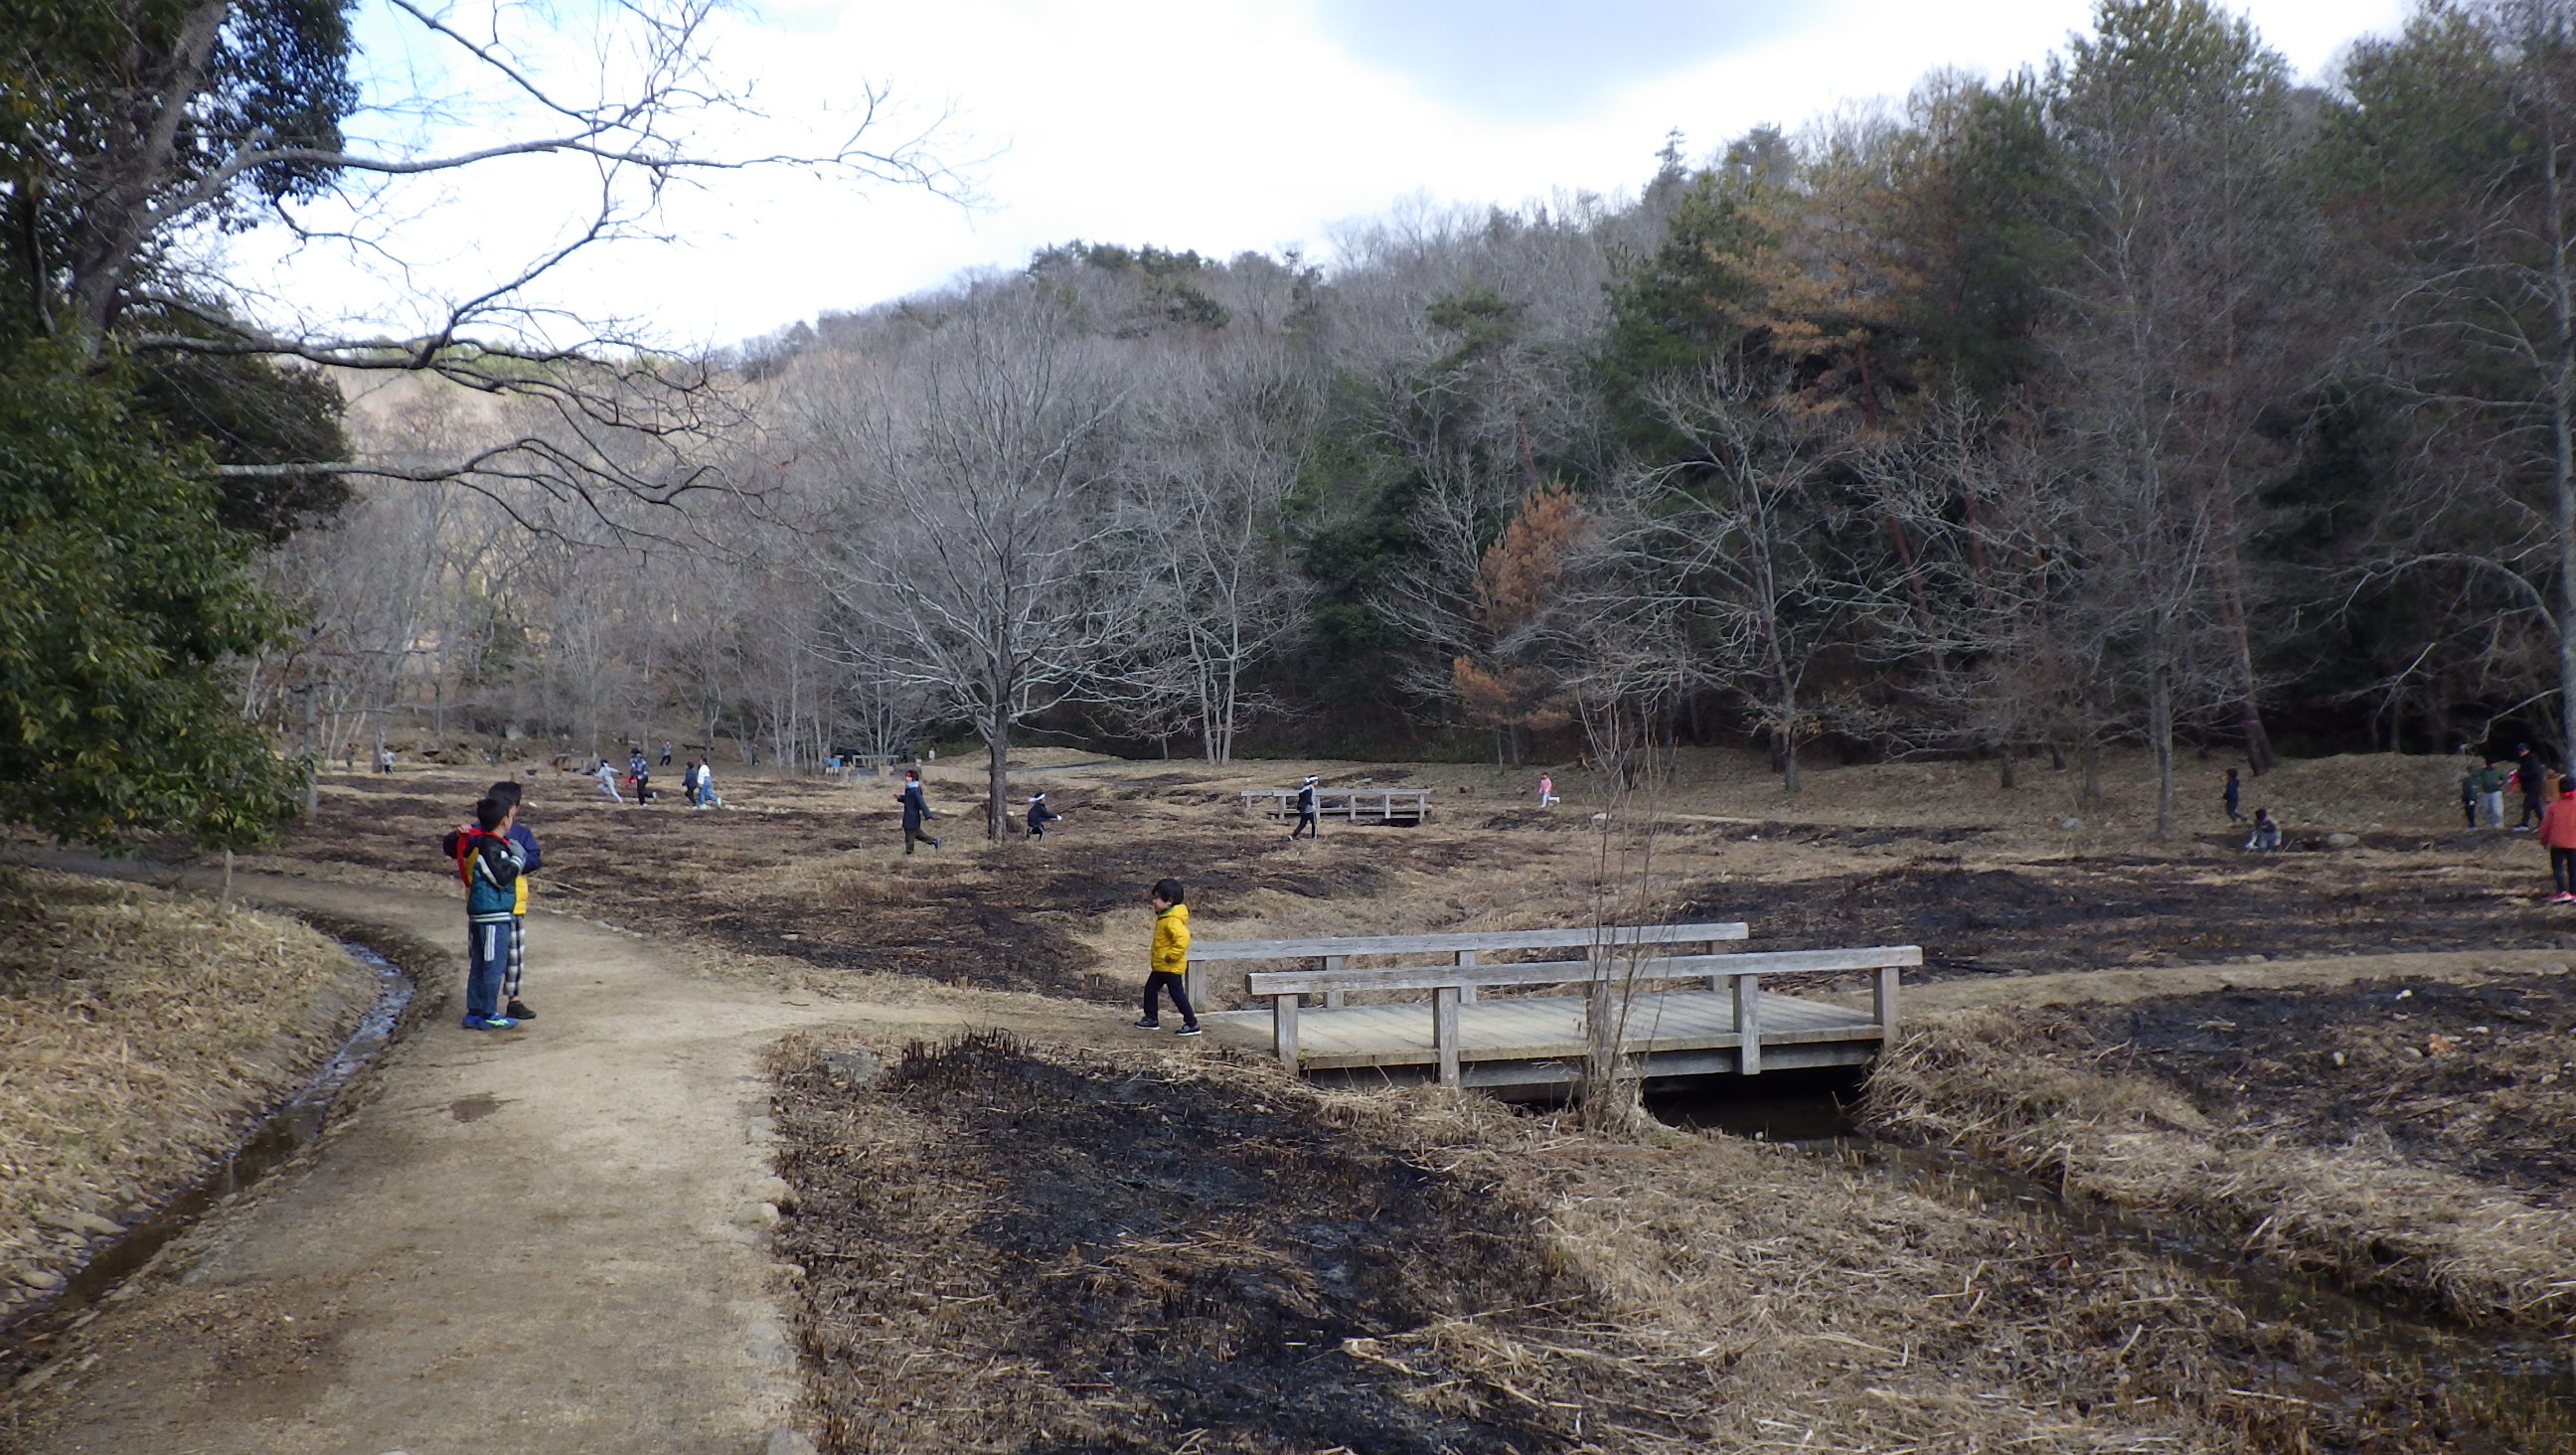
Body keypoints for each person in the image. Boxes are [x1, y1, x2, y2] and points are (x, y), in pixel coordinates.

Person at [440, 796, 526, 1030]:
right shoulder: (491, 847)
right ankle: (488, 1013)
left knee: (480, 963)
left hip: (484, 915)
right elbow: (502, 878)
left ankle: (475, 1011)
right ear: (504, 820)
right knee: (492, 965)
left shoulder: (484, 844)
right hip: (493, 917)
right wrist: (518, 859)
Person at [485, 780, 542, 1021]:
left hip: (514, 904)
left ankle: (513, 999)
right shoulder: (478, 832)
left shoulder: (521, 834)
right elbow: (452, 847)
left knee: (514, 955)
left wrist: (514, 862)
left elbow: (535, 859)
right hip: (485, 907)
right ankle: (485, 1002)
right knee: (486, 955)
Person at [1134, 878, 1201, 1036]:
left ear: (1169, 901)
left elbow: (1183, 938)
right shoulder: (1164, 918)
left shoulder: (1172, 921)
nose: (1153, 901)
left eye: (1157, 898)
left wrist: (1172, 955)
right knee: (1150, 990)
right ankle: (1151, 1018)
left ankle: (1192, 1023)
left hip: (1170, 966)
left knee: (1177, 994)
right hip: (1161, 966)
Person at [2542, 779, 2576, 902]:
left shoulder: (2553, 806)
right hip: (2574, 842)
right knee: (2573, 868)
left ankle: (2561, 891)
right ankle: (2574, 892)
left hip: (2557, 842)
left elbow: (2546, 826)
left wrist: (2543, 840)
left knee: (2557, 867)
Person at [898, 768, 939, 853]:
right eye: (906, 776)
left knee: (909, 834)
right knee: (917, 833)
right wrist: (900, 798)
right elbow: (909, 800)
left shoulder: (915, 789)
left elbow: (922, 804)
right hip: (909, 815)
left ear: (913, 778)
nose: (906, 778)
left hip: (912, 816)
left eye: (909, 777)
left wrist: (928, 816)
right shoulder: (909, 788)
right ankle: (934, 841)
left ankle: (909, 852)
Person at [2517, 743, 2551, 830]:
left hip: (2534, 785)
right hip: (2530, 786)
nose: (2520, 752)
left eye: (2522, 750)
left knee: (2527, 804)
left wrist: (2521, 774)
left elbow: (2535, 773)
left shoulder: (2532, 759)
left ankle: (2525, 823)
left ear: (2527, 750)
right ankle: (2543, 822)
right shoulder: (2524, 760)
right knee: (2536, 806)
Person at [2473, 758, 2510, 829]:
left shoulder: (2498, 771)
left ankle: (2499, 824)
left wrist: (2501, 782)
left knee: (2497, 809)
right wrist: (2481, 768)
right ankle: (2489, 823)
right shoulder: (2483, 771)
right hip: (2485, 792)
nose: (2492, 765)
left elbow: (2505, 778)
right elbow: (2474, 773)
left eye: (2493, 763)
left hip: (2496, 792)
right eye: (2490, 764)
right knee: (2487, 809)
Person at [1289, 775, 1320, 841]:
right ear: (1313, 782)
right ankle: (1314, 837)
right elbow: (1308, 798)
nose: (1317, 782)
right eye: (1316, 781)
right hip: (1310, 809)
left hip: (1303, 809)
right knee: (1314, 824)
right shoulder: (1310, 789)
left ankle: (1292, 836)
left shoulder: (1304, 788)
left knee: (1302, 824)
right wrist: (1312, 804)